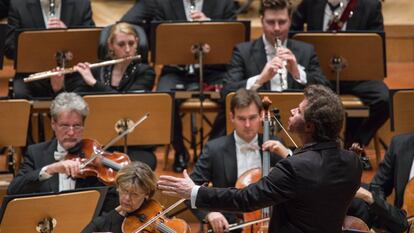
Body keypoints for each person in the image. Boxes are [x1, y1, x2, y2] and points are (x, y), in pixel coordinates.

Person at [158, 84, 362, 233]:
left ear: (310, 126)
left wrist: (193, 191)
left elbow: (245, 199)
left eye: (299, 111)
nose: (292, 110)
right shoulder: (353, 162)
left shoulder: (293, 167)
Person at [209, 0, 330, 141]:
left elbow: (327, 92)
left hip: (299, 131)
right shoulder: (243, 51)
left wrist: (298, 73)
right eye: (271, 22)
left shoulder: (306, 51)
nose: (277, 28)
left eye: (282, 22)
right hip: (254, 131)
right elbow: (226, 92)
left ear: (290, 20)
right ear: (261, 20)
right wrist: (260, 79)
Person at [291, 0, 390, 170]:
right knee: (294, 89)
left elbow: (375, 47)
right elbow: (292, 33)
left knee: (384, 99)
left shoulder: (370, 5)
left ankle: (354, 145)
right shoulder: (310, 3)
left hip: (358, 77)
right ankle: (316, 149)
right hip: (320, 75)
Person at [190, 88, 290, 233]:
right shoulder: (214, 149)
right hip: (228, 226)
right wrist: (209, 214)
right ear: (232, 117)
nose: (248, 125)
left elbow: (296, 180)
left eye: (253, 118)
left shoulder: (276, 145)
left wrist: (287, 153)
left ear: (262, 116)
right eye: (242, 119)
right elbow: (191, 189)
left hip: (270, 224)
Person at [154, 0, 237, 172]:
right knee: (163, 98)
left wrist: (210, 28)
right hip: (176, 69)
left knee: (233, 96)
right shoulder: (163, 4)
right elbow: (158, 41)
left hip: (214, 70)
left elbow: (233, 41)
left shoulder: (225, 4)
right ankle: (180, 151)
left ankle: (210, 152)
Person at [7, 92, 117, 212]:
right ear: (53, 124)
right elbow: (13, 190)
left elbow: (111, 201)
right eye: (65, 125)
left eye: (77, 126)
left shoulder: (95, 158)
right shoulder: (36, 153)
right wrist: (51, 169)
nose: (71, 132)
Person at [5, 0, 95, 99]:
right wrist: (44, 42)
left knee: (89, 91)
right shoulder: (18, 5)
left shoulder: (82, 4)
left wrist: (68, 34)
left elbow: (90, 44)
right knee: (20, 94)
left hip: (71, 74)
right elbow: (9, 49)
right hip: (33, 74)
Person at [347, 133, 412, 232]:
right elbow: (378, 186)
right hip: (402, 223)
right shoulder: (399, 144)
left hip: (402, 222)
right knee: (357, 197)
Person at [81, 161, 158, 233]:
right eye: (124, 191)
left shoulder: (157, 213)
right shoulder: (102, 223)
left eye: (135, 194)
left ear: (147, 194)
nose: (127, 198)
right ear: (118, 187)